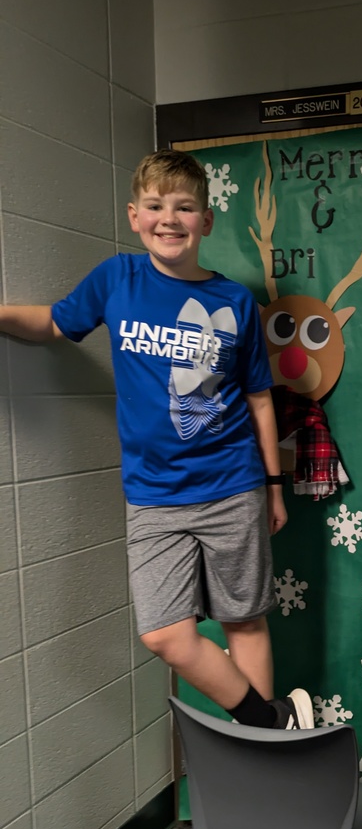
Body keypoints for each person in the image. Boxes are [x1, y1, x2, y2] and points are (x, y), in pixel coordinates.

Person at [0, 149, 313, 730]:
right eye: (155, 206)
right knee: (166, 634)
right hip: (153, 496)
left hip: (232, 484)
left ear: (206, 220)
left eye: (185, 207)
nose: (169, 218)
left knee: (243, 619)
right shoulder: (116, 279)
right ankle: (269, 723)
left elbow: (259, 398)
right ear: (135, 216)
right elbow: (52, 323)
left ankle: (260, 753)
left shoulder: (235, 301)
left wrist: (273, 486)